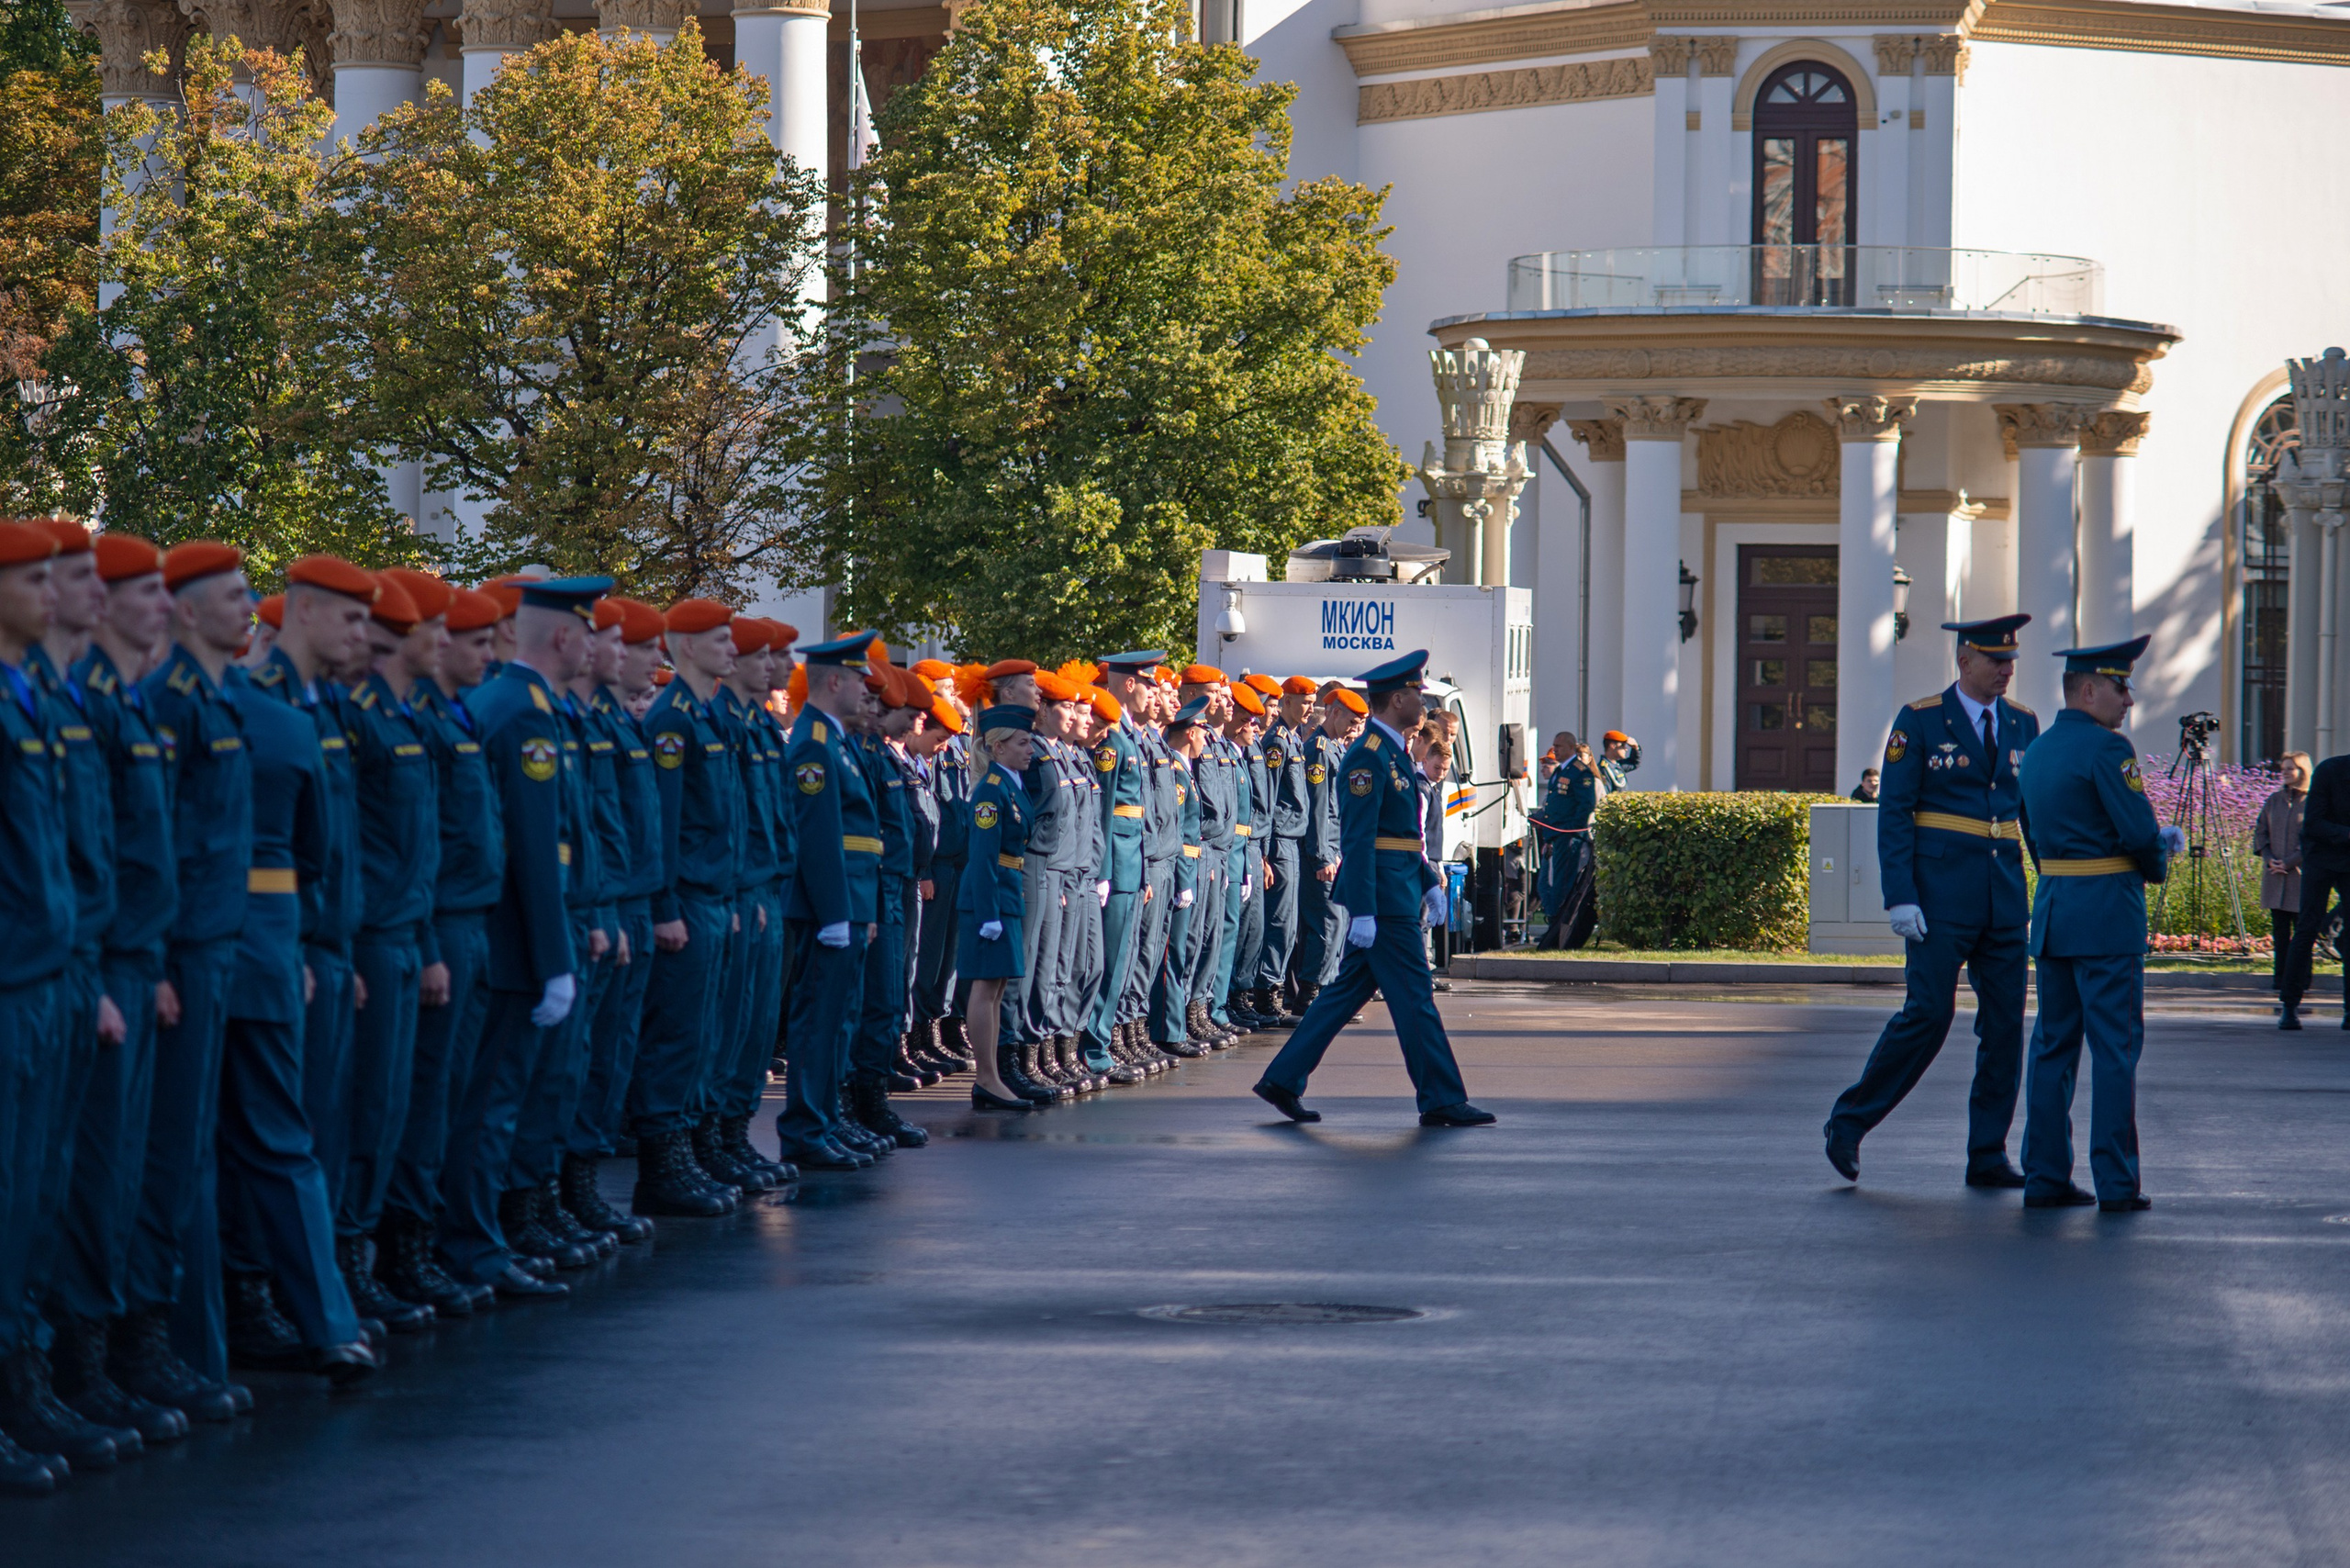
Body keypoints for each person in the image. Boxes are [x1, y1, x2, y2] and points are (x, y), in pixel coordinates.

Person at [50, 534, 188, 1450]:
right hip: (81, 969)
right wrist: (100, 969)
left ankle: (107, 1357)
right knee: (75, 1181)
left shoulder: (116, 706)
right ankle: (68, 1366)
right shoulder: (89, 707)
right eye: (125, 591)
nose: (153, 608)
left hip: (129, 961)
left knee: (127, 1171)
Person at [1823, 615, 2042, 1189]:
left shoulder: (2023, 723)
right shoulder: (1919, 722)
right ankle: (1848, 1123)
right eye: (1995, 660)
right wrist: (1900, 896)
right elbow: (1895, 813)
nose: (2006, 670)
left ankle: (1988, 1153)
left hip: (2003, 898)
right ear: (1964, 660)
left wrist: (2057, 881)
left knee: (2004, 1028)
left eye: (2011, 660)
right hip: (1939, 898)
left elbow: (2034, 814)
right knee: (1929, 1015)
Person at [437, 576, 610, 1301]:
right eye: (592, 630)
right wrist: (555, 960)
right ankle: (474, 1248)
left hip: (510, 937)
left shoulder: (521, 705)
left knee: (496, 1100)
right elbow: (535, 851)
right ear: (565, 636)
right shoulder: (523, 713)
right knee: (490, 1105)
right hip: (513, 943)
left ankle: (486, 1238)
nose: (599, 645)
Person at [1252, 650, 1492, 1128]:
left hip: (1397, 892)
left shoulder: (1396, 754)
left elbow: (1405, 835)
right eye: (1417, 695)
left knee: (1341, 997)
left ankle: (1282, 1079)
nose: (1422, 705)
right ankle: (1442, 1097)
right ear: (1397, 698)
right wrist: (1362, 910)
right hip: (1383, 904)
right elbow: (1360, 838)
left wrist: (1427, 882)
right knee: (1416, 999)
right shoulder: (1368, 757)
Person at [129, 543, 260, 1413]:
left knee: (190, 1160)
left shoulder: (213, 697)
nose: (249, 609)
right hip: (178, 956)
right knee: (166, 1159)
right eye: (234, 596)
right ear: (186, 611)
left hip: (216, 946)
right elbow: (155, 848)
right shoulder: (172, 702)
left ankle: (190, 1348)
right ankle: (154, 1347)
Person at [377, 586, 508, 1316]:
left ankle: (419, 1244)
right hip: (436, 927)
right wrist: (429, 937)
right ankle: (400, 1250)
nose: (487, 654)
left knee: (448, 1097)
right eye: (474, 640)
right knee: (417, 1101)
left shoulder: (451, 715)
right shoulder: (417, 719)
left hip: (466, 922)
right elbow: (408, 851)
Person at [2018, 635, 2177, 1211]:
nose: (2129, 700)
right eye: (2120, 685)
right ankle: (2116, 1183)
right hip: (2107, 916)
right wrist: (2159, 858)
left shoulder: (2035, 750)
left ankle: (2043, 1176)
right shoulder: (2109, 751)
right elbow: (2138, 832)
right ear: (2088, 690)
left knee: (2052, 1048)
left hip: (2056, 910)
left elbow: (2032, 837)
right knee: (2115, 1050)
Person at [0, 521, 90, 1493]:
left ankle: (24, 1376)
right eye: (32, 577)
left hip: (49, 972)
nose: (50, 591)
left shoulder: (34, 695)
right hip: (13, 977)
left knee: (36, 1191)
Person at [631, 598, 747, 1212]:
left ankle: (688, 1153)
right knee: (675, 1034)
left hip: (711, 895)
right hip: (685, 899)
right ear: (688, 646)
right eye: (723, 639)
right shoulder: (673, 719)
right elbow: (666, 825)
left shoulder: (706, 714)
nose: (733, 649)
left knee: (702, 1033)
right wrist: (666, 904)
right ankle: (662, 1167)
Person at [776, 630, 885, 1171]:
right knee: (817, 1020)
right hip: (831, 906)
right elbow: (817, 837)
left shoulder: (835, 739)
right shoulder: (814, 743)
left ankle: (824, 1121)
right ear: (835, 680)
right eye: (860, 679)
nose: (867, 688)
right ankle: (805, 1129)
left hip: (852, 899)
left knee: (838, 1018)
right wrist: (837, 913)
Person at [961, 704, 1040, 1111]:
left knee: (997, 989)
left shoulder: (1011, 783)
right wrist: (988, 914)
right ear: (998, 746)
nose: (1031, 749)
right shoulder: (991, 789)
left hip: (1008, 894)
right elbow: (983, 856)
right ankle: (986, 1078)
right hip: (989, 899)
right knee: (985, 987)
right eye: (1023, 742)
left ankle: (990, 1076)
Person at [2281, 747, 2350, 1031]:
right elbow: (2313, 823)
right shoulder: (2331, 770)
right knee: (2306, 928)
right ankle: (2289, 1006)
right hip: (2321, 857)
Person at [2255, 753, 2310, 990]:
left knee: (2302, 933)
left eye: (2291, 768)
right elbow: (2260, 833)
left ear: (2303, 771)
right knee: (2279, 932)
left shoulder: (2312, 801)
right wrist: (2270, 860)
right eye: (2283, 768)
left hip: (2300, 878)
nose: (2285, 772)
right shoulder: (2274, 800)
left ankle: (2301, 979)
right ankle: (2280, 980)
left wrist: (2289, 862)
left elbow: (2311, 840)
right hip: (2275, 877)